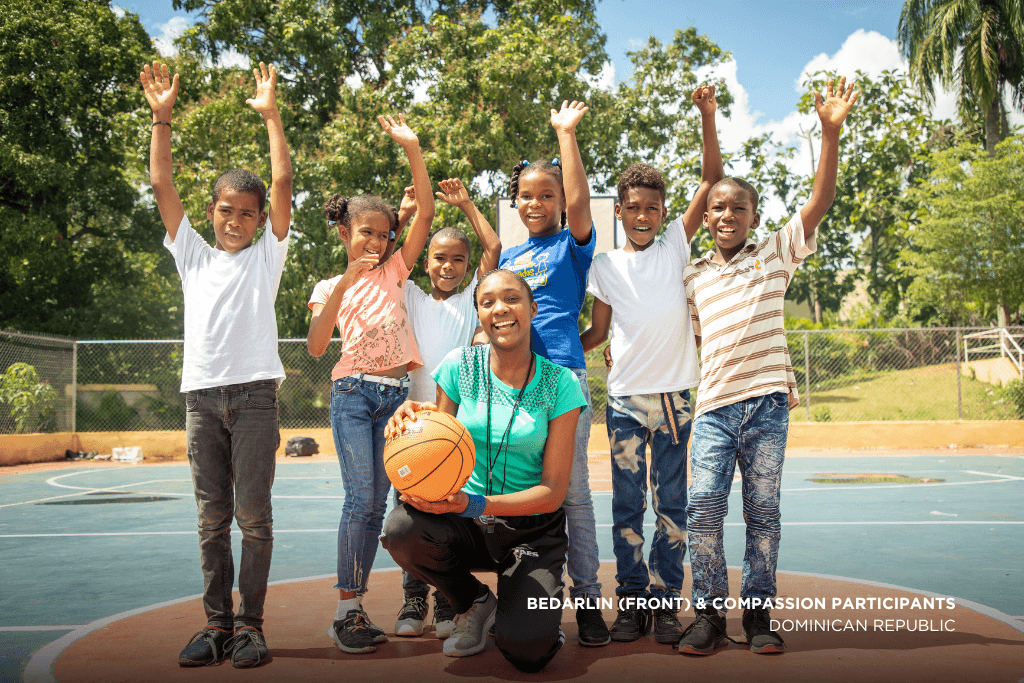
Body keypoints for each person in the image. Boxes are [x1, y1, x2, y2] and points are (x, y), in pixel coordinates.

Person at [679, 76, 859, 656]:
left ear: (755, 218)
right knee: (702, 511)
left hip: (765, 406)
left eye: (738, 207)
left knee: (764, 514)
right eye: (716, 208)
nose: (725, 214)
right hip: (711, 410)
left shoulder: (775, 255)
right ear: (705, 218)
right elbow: (674, 331)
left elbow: (820, 201)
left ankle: (758, 617)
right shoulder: (693, 274)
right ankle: (707, 616)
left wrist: (829, 133)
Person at [142, 60, 292, 668]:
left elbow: (282, 183)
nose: (236, 221)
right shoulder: (192, 256)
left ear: (259, 221)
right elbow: (161, 184)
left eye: (247, 213)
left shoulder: (266, 258)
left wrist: (272, 116)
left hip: (255, 397)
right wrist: (161, 117)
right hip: (202, 400)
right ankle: (215, 624)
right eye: (226, 210)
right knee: (212, 521)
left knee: (253, 518)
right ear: (212, 213)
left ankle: (250, 625)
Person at [380, 268, 586, 673]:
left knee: (528, 652)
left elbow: (553, 491)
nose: (500, 309)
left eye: (511, 298)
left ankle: (533, 622)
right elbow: (439, 440)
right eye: (487, 302)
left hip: (529, 528)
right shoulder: (460, 366)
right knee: (402, 529)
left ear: (532, 308)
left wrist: (476, 503)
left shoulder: (561, 384)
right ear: (479, 315)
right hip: (467, 523)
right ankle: (474, 602)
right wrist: (411, 422)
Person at [579, 85, 722, 645]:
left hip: (676, 400)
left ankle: (666, 602)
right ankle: (632, 602)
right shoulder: (606, 265)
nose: (643, 215)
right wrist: (544, 347)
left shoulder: (675, 246)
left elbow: (709, 179)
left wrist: (707, 116)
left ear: (664, 214)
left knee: (673, 505)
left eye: (652, 208)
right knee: (626, 505)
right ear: (618, 211)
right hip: (623, 402)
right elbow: (596, 331)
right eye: (633, 207)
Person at [305, 114, 434, 654]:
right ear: (344, 233)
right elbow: (315, 345)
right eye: (367, 233)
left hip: (396, 400)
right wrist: (348, 282)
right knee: (360, 500)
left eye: (384, 234)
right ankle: (347, 609)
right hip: (353, 395)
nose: (377, 242)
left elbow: (424, 210)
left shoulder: (397, 269)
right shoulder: (331, 284)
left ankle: (371, 604)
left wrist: (412, 146)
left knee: (383, 503)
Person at [498, 100, 609, 646]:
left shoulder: (572, 245)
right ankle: (522, 596)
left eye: (548, 194)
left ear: (561, 201)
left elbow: (583, 199)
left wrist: (566, 134)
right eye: (527, 195)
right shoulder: (511, 256)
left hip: (561, 382)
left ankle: (588, 603)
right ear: (515, 204)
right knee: (523, 488)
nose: (536, 202)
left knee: (574, 496)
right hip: (514, 385)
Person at [393, 178, 501, 638]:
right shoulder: (412, 296)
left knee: (444, 513)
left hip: (451, 431)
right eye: (440, 257)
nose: (449, 265)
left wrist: (468, 204)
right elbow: (393, 260)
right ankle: (412, 600)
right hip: (411, 427)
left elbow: (493, 247)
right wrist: (402, 219)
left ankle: (445, 602)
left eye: (459, 259)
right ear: (426, 263)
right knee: (406, 510)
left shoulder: (470, 303)